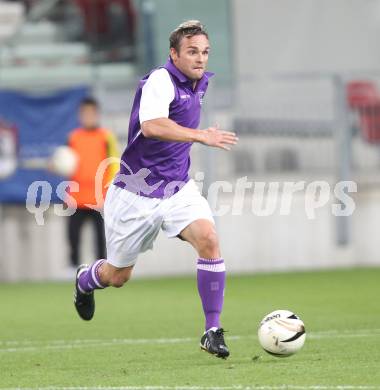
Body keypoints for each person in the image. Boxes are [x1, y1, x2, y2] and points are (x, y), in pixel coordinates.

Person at [73, 21, 238, 359]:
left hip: (177, 188)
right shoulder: (159, 81)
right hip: (135, 193)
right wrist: (201, 135)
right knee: (118, 276)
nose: (200, 58)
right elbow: (151, 126)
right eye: (192, 51)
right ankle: (86, 280)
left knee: (209, 239)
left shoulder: (199, 83)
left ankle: (212, 330)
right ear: (173, 54)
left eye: (205, 52)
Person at [66, 97, 119, 270]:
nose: (88, 116)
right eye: (84, 113)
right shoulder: (73, 137)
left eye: (91, 113)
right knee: (73, 236)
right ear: (80, 115)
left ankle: (101, 271)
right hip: (76, 198)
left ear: (96, 114)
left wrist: (110, 192)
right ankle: (73, 269)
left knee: (101, 238)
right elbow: (66, 163)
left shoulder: (105, 136)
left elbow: (114, 164)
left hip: (99, 199)